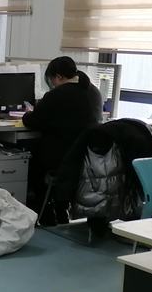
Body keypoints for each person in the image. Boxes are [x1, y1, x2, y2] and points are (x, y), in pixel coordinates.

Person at [22, 56, 103, 223]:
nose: (52, 84)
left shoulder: (56, 95)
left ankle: (45, 215)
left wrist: (27, 114)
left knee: (32, 164)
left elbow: (34, 121)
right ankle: (61, 208)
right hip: (85, 157)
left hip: (59, 157)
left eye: (52, 80)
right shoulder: (93, 92)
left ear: (58, 76)